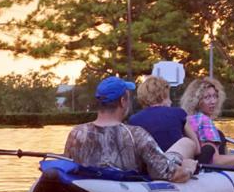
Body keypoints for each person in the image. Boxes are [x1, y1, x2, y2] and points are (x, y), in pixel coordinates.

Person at [62, 76, 195, 182]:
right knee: (186, 144)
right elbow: (172, 174)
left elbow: (66, 167)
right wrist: (188, 168)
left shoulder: (76, 133)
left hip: (91, 190)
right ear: (122, 101)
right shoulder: (137, 135)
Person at [179, 76, 234, 166]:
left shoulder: (186, 119)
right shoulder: (204, 120)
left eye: (215, 96)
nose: (213, 101)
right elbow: (216, 161)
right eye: (207, 97)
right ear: (196, 101)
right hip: (209, 172)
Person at [128, 75, 198, 155]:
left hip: (147, 165)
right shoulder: (179, 113)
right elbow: (197, 148)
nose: (171, 102)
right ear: (163, 96)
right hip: (175, 164)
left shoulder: (134, 120)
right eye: (169, 96)